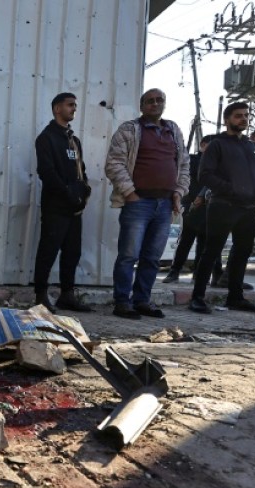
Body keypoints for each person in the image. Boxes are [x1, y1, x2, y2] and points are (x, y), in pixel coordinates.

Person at [105, 88, 190, 319]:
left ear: (165, 104)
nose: (155, 104)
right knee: (129, 255)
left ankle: (142, 300)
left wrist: (178, 193)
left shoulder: (173, 130)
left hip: (164, 205)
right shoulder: (130, 130)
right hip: (138, 203)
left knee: (152, 258)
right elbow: (114, 164)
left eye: (159, 100)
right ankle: (122, 302)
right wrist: (130, 193)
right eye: (150, 101)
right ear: (142, 106)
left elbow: (183, 165)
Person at [189, 102, 255, 314]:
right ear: (227, 120)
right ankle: (197, 298)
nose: (243, 119)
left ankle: (235, 297)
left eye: (245, 115)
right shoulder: (217, 144)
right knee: (212, 251)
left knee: (242, 252)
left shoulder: (251, 146)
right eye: (238, 116)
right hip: (223, 205)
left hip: (249, 207)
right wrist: (230, 189)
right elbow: (205, 175)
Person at [31, 92, 92, 313]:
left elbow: (80, 170)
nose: (74, 108)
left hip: (75, 207)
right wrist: (67, 193)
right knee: (48, 250)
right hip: (56, 206)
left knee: (72, 252)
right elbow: (46, 172)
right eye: (69, 105)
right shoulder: (46, 138)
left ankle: (67, 295)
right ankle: (40, 296)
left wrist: (84, 191)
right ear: (57, 108)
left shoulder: (73, 140)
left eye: (75, 105)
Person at [162, 135, 223, 283]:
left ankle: (199, 274)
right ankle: (174, 271)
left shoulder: (218, 163)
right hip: (193, 205)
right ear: (203, 145)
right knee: (186, 240)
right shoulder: (193, 160)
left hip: (212, 207)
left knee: (205, 242)